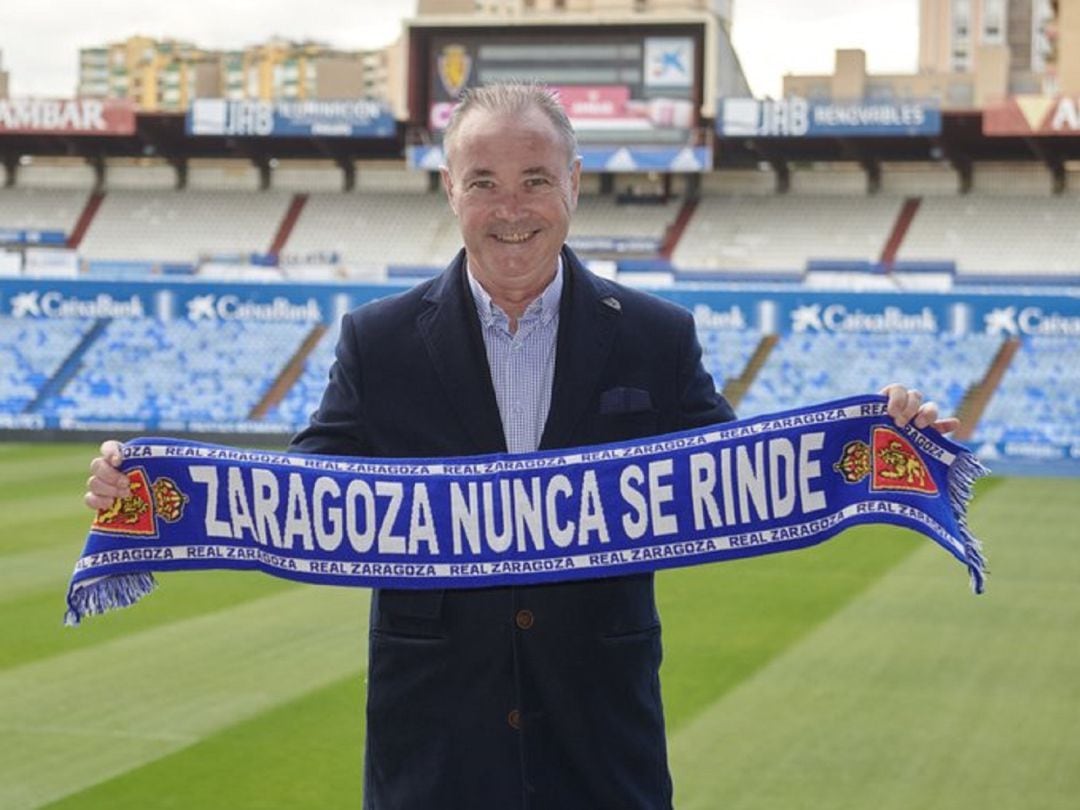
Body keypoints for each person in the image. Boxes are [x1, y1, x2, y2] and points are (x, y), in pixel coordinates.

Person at [85, 82, 959, 810]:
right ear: (450, 190)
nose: (511, 208)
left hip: (601, 746)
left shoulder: (657, 336)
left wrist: (880, 437)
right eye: (485, 181)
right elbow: (304, 494)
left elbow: (740, 475)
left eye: (536, 178)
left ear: (575, 183)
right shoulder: (377, 340)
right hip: (432, 752)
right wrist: (153, 492)